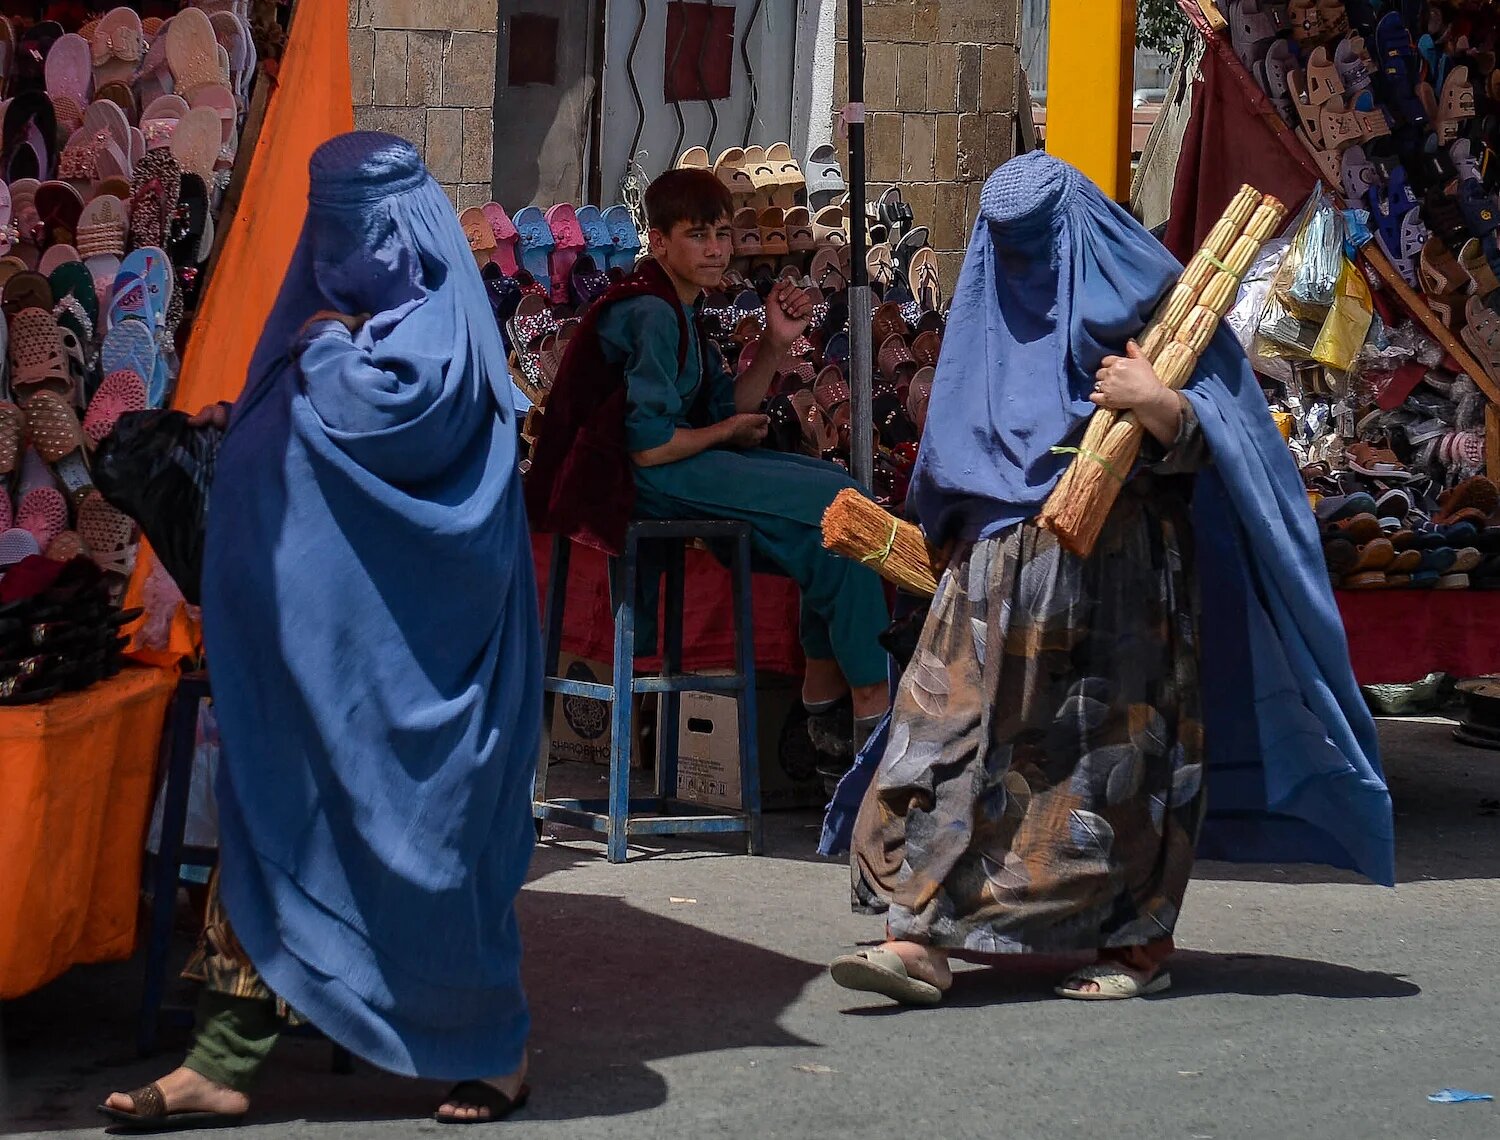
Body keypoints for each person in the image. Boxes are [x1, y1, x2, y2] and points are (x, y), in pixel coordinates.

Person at [826, 152, 1395, 1006]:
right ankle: (915, 936)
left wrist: (1158, 403)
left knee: (1109, 774)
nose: (1028, 271)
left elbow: (1237, 441)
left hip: (1123, 588)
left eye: (1039, 246)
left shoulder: (1157, 304)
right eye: (1008, 248)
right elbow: (950, 451)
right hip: (988, 589)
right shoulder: (988, 316)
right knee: (941, 743)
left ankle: (1133, 944)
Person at [100, 132, 541, 1127]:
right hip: (304, 661)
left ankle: (491, 1050)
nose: (339, 250)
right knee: (269, 831)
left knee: (436, 852)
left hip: (426, 664)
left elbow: (402, 423)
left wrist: (330, 351)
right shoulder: (312, 328)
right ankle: (221, 1059)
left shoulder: (433, 336)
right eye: (326, 225)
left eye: (360, 228)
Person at [525, 168, 890, 771]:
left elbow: (729, 406)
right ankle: (861, 709)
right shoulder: (650, 312)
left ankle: (828, 710)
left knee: (838, 526)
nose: (717, 248)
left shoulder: (682, 308)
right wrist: (726, 433)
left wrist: (774, 344)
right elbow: (651, 446)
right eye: (698, 235)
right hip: (636, 479)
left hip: (673, 466)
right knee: (840, 505)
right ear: (659, 242)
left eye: (722, 233)